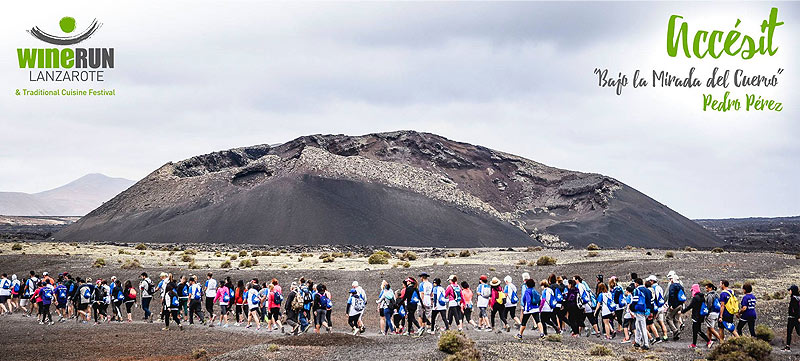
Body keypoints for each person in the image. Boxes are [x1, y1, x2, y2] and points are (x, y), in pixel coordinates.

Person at [681, 284, 710, 348]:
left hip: (696, 316)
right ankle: (706, 341)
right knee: (698, 330)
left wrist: (682, 311)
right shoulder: (702, 297)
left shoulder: (695, 298)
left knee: (695, 330)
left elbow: (690, 306)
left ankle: (696, 344)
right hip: (701, 316)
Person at [631, 277, 652, 350]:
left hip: (639, 310)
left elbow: (635, 300)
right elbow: (651, 302)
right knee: (638, 325)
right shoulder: (648, 290)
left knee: (642, 327)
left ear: (636, 283)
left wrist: (631, 307)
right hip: (647, 311)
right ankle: (637, 341)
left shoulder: (637, 290)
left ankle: (645, 344)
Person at [665, 271, 685, 340]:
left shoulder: (672, 286)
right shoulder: (681, 286)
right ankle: (677, 335)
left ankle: (675, 330)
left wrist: (671, 305)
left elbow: (671, 296)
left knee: (668, 318)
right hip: (680, 305)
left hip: (674, 305)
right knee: (676, 319)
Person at [649, 275, 668, 343]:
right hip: (661, 307)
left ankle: (652, 336)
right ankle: (665, 336)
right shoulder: (659, 287)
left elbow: (654, 298)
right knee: (662, 322)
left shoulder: (653, 288)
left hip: (656, 308)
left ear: (652, 281)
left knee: (650, 322)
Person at [785, 284, 800, 351]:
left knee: (789, 332)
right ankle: (787, 346)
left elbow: (796, 309)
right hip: (796, 318)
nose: (789, 291)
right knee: (798, 331)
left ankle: (787, 346)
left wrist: (798, 317)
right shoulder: (798, 298)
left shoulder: (793, 299)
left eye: (790, 290)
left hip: (792, 318)